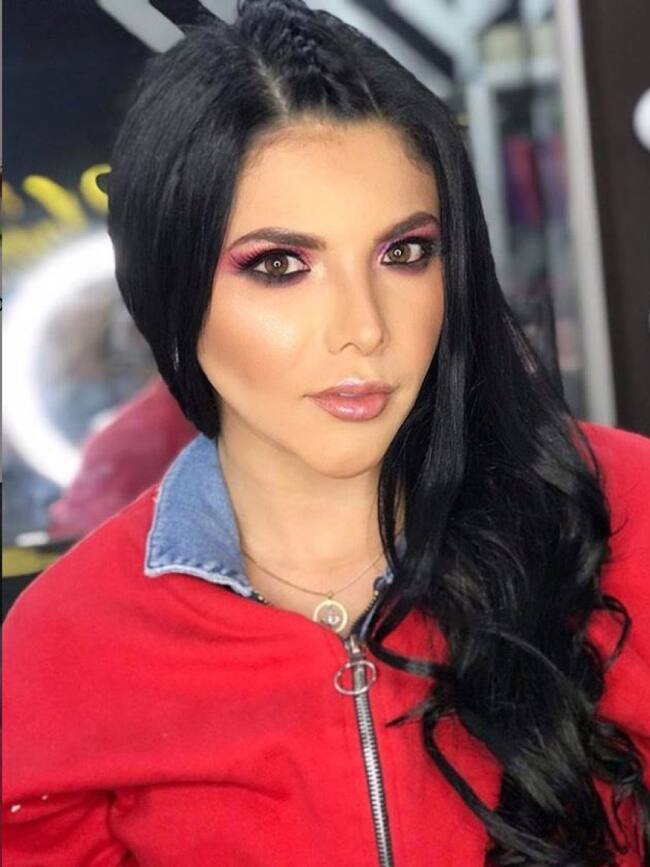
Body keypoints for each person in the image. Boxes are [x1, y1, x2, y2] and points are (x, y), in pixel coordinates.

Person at [3, 1, 650, 864]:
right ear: (172, 285)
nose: (364, 328)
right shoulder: (69, 642)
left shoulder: (627, 511)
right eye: (280, 265)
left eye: (404, 253)